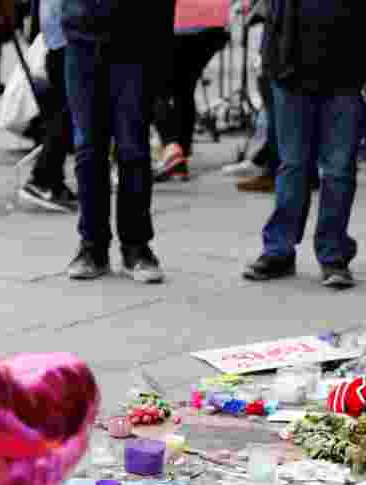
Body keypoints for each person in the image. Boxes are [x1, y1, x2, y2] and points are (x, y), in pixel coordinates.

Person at [242, 0, 365, 287]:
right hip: (290, 66)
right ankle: (279, 251)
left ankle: (333, 254)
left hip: (345, 70)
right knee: (293, 165)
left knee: (338, 170)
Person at [61, 0, 175, 282]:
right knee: (88, 148)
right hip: (81, 36)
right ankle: (92, 245)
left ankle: (135, 246)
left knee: (133, 148)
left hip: (135, 41)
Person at [152, 0, 230, 182]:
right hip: (212, 23)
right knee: (184, 89)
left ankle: (172, 147)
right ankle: (181, 159)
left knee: (154, 89)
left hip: (177, 23)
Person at [19, 0, 77, 213]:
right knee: (68, 111)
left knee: (66, 111)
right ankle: (43, 178)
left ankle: (51, 179)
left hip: (61, 36)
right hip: (68, 37)